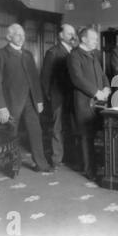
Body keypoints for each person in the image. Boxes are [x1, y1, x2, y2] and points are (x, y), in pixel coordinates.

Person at [0, 24, 52, 172]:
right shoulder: (0, 54)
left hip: (30, 101)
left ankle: (41, 164)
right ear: (9, 37)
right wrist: (1, 107)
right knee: (11, 134)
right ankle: (11, 166)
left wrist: (39, 100)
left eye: (23, 35)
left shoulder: (28, 55)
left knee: (36, 131)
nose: (22, 38)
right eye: (18, 35)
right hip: (11, 102)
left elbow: (35, 79)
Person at [67, 28, 111, 180]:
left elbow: (103, 74)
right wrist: (96, 92)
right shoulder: (74, 55)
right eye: (93, 39)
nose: (96, 41)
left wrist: (106, 87)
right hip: (84, 102)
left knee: (97, 133)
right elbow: (77, 79)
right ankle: (90, 171)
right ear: (84, 39)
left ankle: (96, 165)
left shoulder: (93, 55)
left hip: (99, 102)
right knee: (87, 136)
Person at [41, 24, 76, 169]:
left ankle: (69, 157)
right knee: (57, 128)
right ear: (61, 35)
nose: (73, 37)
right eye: (69, 34)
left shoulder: (74, 52)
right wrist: (49, 96)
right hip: (58, 96)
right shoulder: (53, 52)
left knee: (70, 126)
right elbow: (45, 77)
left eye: (73, 34)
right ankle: (56, 159)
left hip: (71, 95)